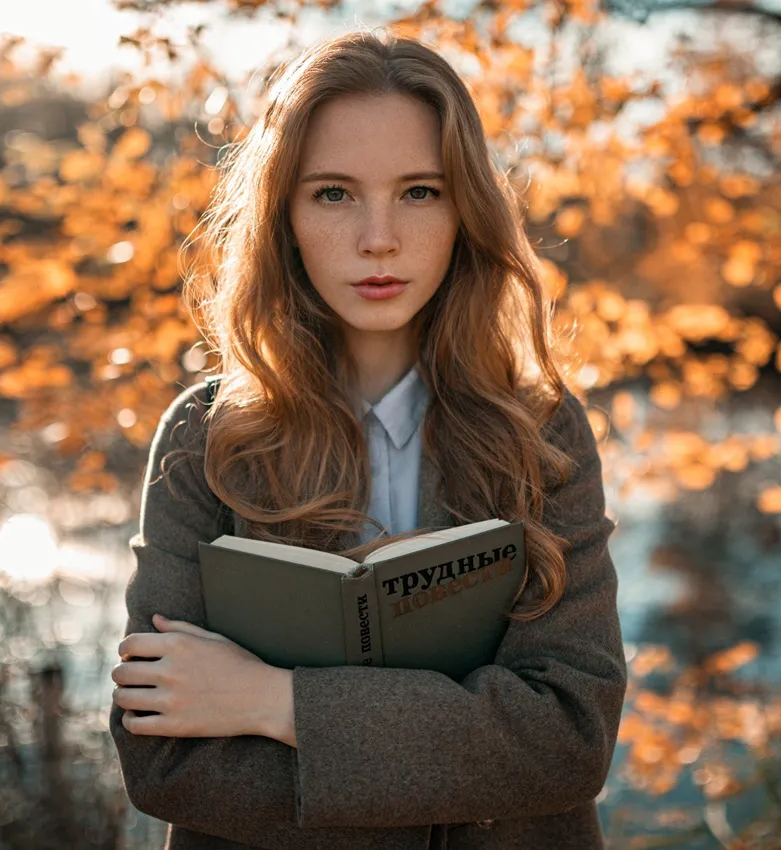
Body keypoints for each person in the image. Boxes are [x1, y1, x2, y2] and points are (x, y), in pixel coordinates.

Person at [109, 27, 626, 850]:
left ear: (466, 211)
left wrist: (272, 702)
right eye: (334, 193)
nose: (378, 237)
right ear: (283, 215)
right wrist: (458, 756)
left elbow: (569, 738)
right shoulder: (203, 441)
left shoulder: (543, 432)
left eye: (420, 191)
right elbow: (166, 764)